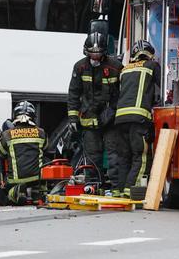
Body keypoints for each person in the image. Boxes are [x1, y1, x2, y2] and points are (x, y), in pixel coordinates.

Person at [66, 31, 122, 187]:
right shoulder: (80, 67)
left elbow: (122, 93)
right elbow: (73, 94)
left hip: (111, 120)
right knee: (92, 155)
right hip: (89, 120)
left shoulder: (115, 67)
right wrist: (72, 119)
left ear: (104, 52)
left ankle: (116, 186)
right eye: (91, 53)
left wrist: (112, 112)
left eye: (97, 54)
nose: (94, 57)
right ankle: (94, 184)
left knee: (113, 154)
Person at [111, 39, 160, 196]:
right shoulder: (151, 66)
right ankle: (130, 190)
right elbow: (163, 85)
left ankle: (118, 190)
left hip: (120, 119)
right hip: (139, 118)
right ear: (149, 54)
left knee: (124, 156)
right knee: (141, 156)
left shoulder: (124, 69)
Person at [0, 101, 48, 205]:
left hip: (11, 181)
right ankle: (37, 193)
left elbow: (0, 153)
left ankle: (18, 193)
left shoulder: (8, 137)